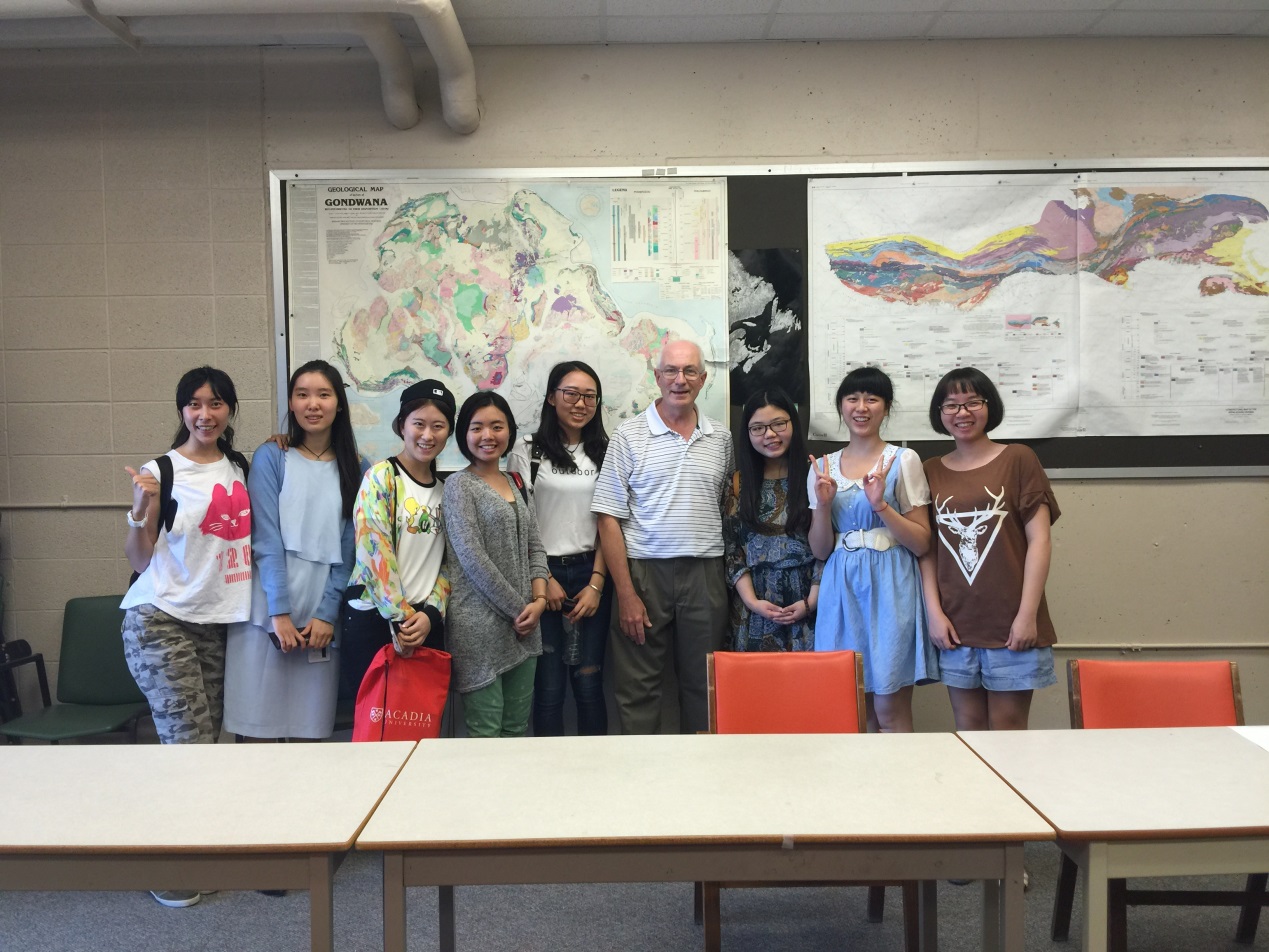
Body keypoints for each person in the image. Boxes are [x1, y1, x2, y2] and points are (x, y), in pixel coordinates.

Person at [120, 365, 252, 908]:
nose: (205, 414)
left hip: (210, 625)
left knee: (205, 746)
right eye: (195, 404)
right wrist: (140, 511)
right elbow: (139, 559)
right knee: (186, 747)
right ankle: (168, 866)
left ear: (229, 410)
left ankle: (196, 853)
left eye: (216, 403)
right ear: (182, 411)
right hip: (158, 618)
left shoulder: (239, 467)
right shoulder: (162, 471)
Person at [592, 339, 734, 735]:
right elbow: (607, 517)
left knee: (705, 685)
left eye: (690, 371)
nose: (680, 380)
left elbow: (727, 503)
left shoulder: (721, 439)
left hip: (706, 574)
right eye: (670, 370)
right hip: (643, 574)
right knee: (637, 688)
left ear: (703, 379)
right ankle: (642, 772)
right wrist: (625, 594)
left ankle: (703, 768)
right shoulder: (628, 435)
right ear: (657, 377)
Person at [223, 360, 364, 741]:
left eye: (323, 395)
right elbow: (265, 540)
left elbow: (350, 551)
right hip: (266, 611)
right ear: (291, 402)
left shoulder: (359, 467)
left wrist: (327, 615)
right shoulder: (271, 456)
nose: (312, 404)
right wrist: (279, 613)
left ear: (339, 404)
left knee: (310, 734)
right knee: (256, 733)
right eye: (302, 395)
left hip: (321, 618)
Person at [919, 366, 1060, 732]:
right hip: (955, 626)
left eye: (973, 402)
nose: (962, 413)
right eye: (951, 405)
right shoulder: (929, 470)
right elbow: (927, 550)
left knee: (1008, 729)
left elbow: (1040, 540)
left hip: (1011, 624)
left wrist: (1027, 615)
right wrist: (934, 614)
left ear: (989, 406)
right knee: (968, 728)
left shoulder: (1019, 459)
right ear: (939, 413)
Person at [809, 366, 937, 733]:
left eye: (872, 399)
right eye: (852, 399)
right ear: (841, 406)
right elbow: (820, 550)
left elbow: (921, 541)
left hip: (891, 585)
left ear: (886, 407)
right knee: (853, 708)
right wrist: (823, 506)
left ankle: (897, 773)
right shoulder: (822, 467)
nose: (861, 407)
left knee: (890, 709)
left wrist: (881, 505)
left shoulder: (903, 460)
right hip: (841, 588)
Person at [507, 361, 612, 736]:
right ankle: (548, 769)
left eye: (589, 396)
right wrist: (543, 579)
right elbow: (520, 522)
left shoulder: (606, 452)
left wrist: (597, 583)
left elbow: (610, 524)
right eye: (571, 394)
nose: (581, 403)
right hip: (542, 576)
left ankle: (595, 767)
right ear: (552, 397)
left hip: (591, 573)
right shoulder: (527, 451)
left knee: (589, 684)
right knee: (549, 690)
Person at [342, 379, 455, 704]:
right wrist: (402, 619)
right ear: (402, 425)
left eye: (438, 426)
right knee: (376, 723)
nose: (427, 435)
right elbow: (374, 553)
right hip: (378, 619)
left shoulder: (447, 491)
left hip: (424, 624)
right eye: (418, 424)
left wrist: (431, 613)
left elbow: (449, 563)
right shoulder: (381, 477)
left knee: (419, 722)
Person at [443, 391, 549, 738]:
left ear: (509, 431)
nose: (487, 436)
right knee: (486, 733)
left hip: (526, 627)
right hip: (479, 629)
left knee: (516, 730)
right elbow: (473, 560)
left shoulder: (516, 482)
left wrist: (540, 601)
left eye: (496, 426)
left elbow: (535, 546)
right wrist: (522, 610)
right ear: (464, 434)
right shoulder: (459, 486)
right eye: (477, 427)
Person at [723, 388, 819, 652]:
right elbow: (732, 550)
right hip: (753, 607)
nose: (770, 434)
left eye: (778, 424)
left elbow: (829, 548)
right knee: (757, 678)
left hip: (809, 604)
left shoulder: (816, 477)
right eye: (758, 428)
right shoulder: (737, 484)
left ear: (793, 424)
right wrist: (752, 602)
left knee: (812, 677)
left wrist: (811, 602)